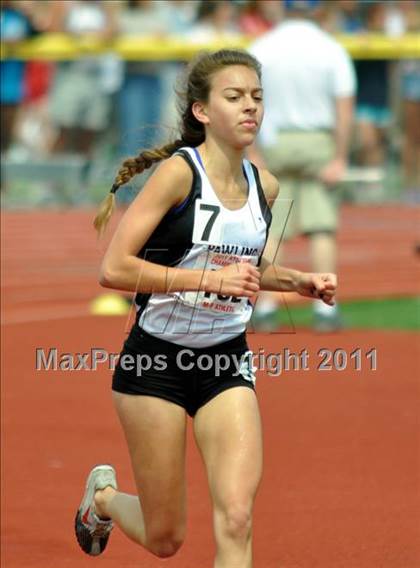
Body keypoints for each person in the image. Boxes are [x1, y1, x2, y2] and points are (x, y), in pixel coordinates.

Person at [74, 49, 337, 566]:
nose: (250, 109)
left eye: (257, 98)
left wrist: (300, 281)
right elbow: (115, 269)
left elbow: (247, 267)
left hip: (226, 362)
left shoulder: (269, 187)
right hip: (155, 364)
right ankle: (102, 501)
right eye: (235, 97)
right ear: (202, 110)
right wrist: (205, 279)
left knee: (237, 517)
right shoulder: (178, 175)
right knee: (165, 538)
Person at [248, 0, 355, 332]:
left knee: (273, 229)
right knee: (321, 225)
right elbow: (344, 107)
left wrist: (253, 151)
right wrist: (339, 156)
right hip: (316, 140)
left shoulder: (262, 46)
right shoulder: (331, 48)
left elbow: (248, 101)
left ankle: (265, 307)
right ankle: (324, 309)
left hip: (274, 141)